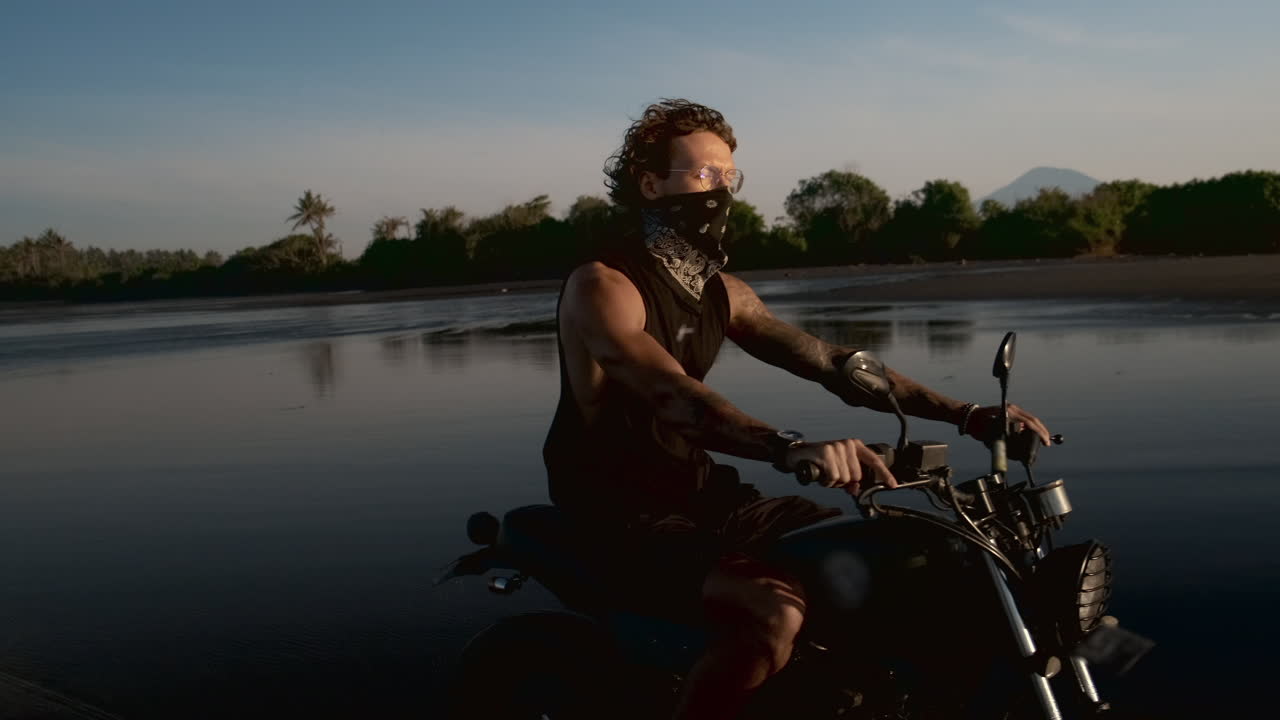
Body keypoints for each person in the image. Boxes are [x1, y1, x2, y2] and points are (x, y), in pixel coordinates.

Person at [542, 98, 1051, 720]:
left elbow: (833, 363)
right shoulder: (604, 286)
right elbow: (673, 397)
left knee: (877, 553)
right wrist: (789, 446)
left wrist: (968, 414)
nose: (722, 189)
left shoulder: (720, 291)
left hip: (702, 491)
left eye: (730, 176)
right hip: (617, 508)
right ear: (650, 185)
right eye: (705, 175)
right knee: (773, 609)